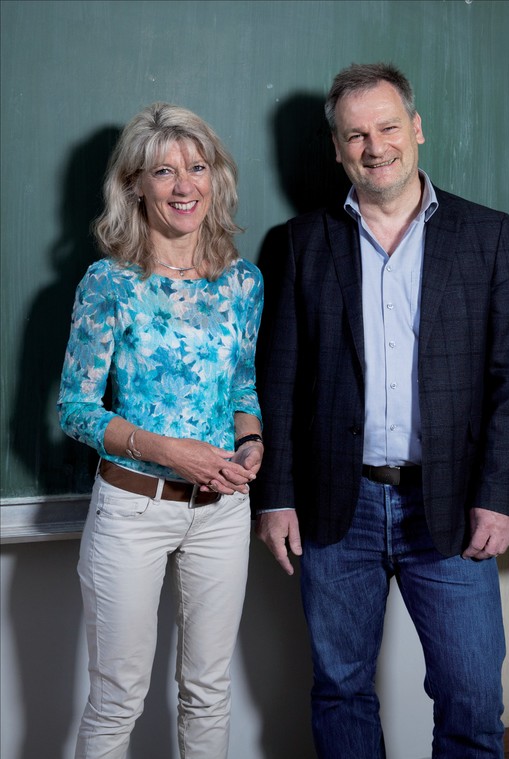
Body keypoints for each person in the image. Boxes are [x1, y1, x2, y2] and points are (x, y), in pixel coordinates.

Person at [253, 63, 509, 758]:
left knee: (472, 697)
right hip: (335, 509)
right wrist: (276, 497)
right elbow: (279, 382)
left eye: (387, 127)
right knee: (341, 691)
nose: (375, 147)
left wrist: (499, 496)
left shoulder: (486, 234)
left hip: (453, 506)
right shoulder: (301, 243)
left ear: (417, 128)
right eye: (356, 135)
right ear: (337, 149)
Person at [58, 102, 264, 759]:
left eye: (196, 168)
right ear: (135, 185)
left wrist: (251, 442)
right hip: (132, 509)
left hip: (222, 511)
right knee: (117, 697)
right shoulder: (108, 284)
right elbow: (76, 408)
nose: (184, 186)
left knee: (208, 690)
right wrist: (170, 451)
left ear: (215, 178)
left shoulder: (242, 282)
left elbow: (242, 387)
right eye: (164, 171)